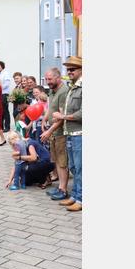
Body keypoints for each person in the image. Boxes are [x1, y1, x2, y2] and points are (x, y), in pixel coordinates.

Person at [56, 56, 83, 211]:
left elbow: (82, 113)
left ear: (81, 70)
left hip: (80, 133)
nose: (69, 72)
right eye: (68, 69)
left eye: (72, 69)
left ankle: (81, 199)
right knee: (73, 167)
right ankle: (75, 196)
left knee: (80, 168)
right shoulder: (73, 87)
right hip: (71, 133)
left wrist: (63, 116)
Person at [40, 68, 70, 202]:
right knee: (57, 160)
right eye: (46, 79)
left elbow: (62, 117)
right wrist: (44, 119)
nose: (48, 82)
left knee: (62, 162)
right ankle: (60, 187)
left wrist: (49, 131)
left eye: (50, 79)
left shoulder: (63, 91)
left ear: (58, 77)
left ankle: (63, 190)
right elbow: (51, 107)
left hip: (61, 133)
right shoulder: (52, 90)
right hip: (54, 133)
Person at [0, 60, 12, 132]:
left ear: (2, 66)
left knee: (5, 111)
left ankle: (7, 127)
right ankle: (1, 127)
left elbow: (6, 84)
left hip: (4, 94)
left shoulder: (6, 73)